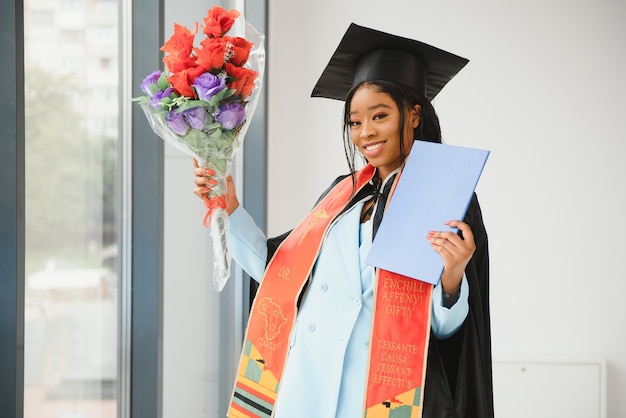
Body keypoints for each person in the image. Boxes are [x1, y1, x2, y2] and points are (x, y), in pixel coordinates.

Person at [194, 23, 492, 418]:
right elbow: (280, 273)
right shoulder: (343, 196)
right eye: (355, 121)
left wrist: (453, 277)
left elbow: (445, 332)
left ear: (414, 114)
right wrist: (230, 209)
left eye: (379, 115)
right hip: (305, 385)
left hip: (374, 393)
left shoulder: (443, 198)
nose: (365, 132)